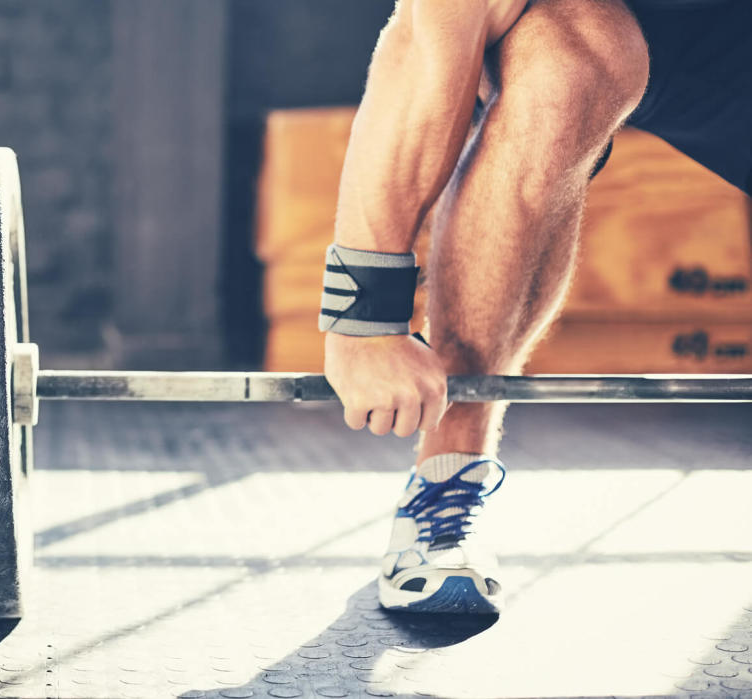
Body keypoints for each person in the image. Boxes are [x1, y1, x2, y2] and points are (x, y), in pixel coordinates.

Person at [321, 0, 752, 613]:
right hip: (616, 29)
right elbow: (425, 45)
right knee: (563, 58)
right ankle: (448, 480)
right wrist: (362, 321)